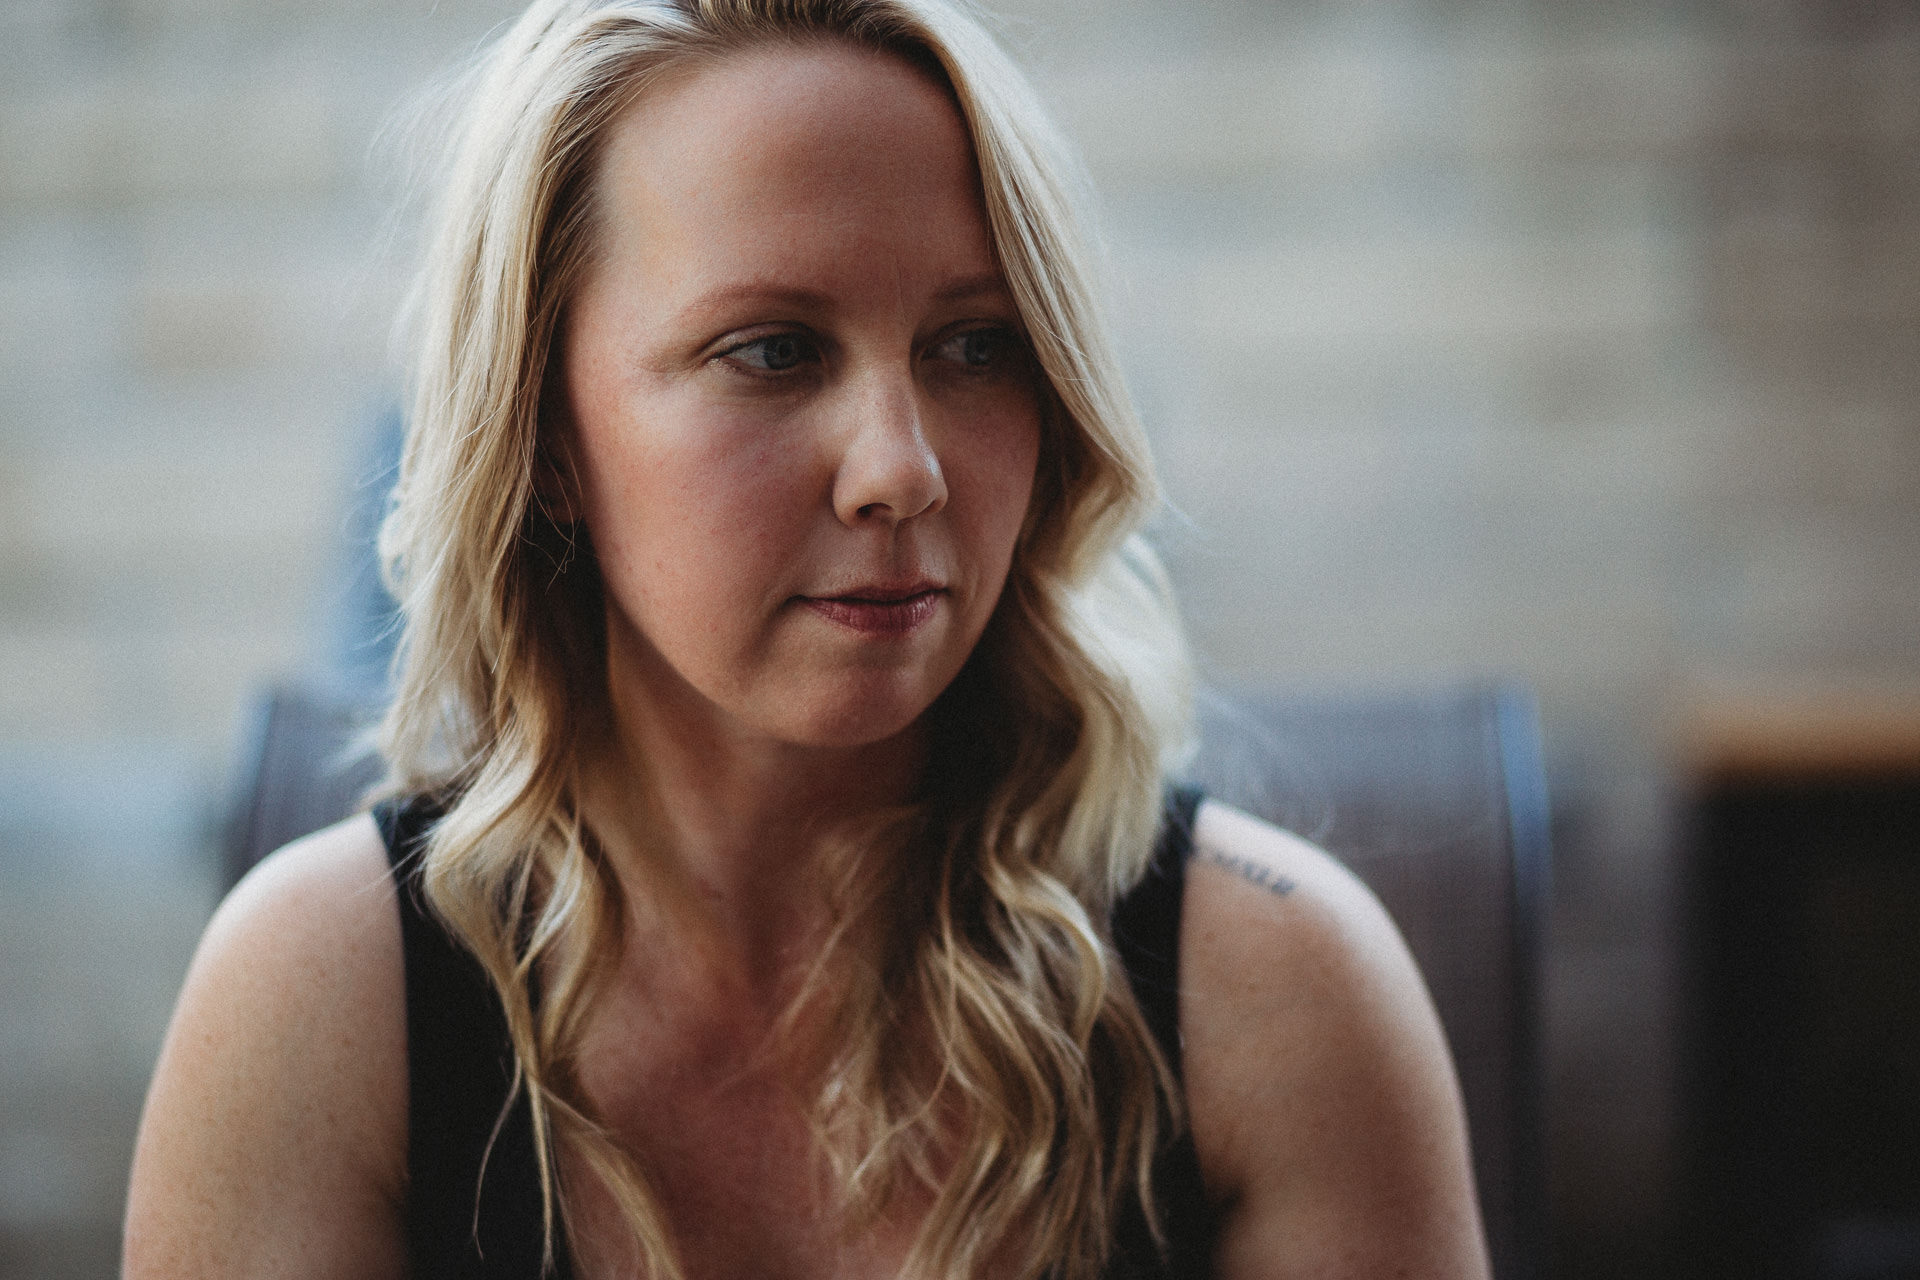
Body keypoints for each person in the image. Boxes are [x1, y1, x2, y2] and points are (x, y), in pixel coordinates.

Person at [123, 1, 1490, 1276]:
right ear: (543, 427)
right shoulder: (320, 1005)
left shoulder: (1279, 997)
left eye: (975, 347)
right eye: (773, 351)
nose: (902, 469)